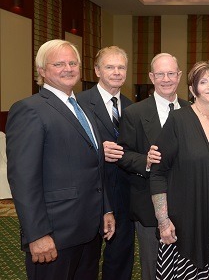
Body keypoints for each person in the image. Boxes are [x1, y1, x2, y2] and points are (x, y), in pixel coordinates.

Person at [6, 39, 115, 279]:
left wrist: (106, 209)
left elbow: (95, 166)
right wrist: (37, 235)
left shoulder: (83, 108)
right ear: (42, 71)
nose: (68, 68)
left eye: (72, 62)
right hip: (54, 236)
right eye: (59, 64)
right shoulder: (29, 110)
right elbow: (23, 179)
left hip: (89, 231)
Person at [150, 61, 209, 279]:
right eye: (203, 82)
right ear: (192, 89)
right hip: (187, 225)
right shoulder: (178, 120)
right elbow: (158, 173)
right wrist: (163, 221)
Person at [117, 53, 190, 280]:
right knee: (153, 269)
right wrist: (145, 161)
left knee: (187, 267)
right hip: (149, 208)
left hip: (188, 206)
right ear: (151, 76)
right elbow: (123, 154)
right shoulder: (134, 113)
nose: (166, 79)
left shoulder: (192, 111)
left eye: (171, 73)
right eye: (160, 74)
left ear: (179, 76)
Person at [77, 46, 134, 280]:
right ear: (97, 70)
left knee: (120, 258)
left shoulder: (131, 107)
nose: (117, 72)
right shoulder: (78, 103)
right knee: (85, 260)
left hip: (123, 193)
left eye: (121, 67)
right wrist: (99, 151)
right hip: (90, 193)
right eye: (110, 67)